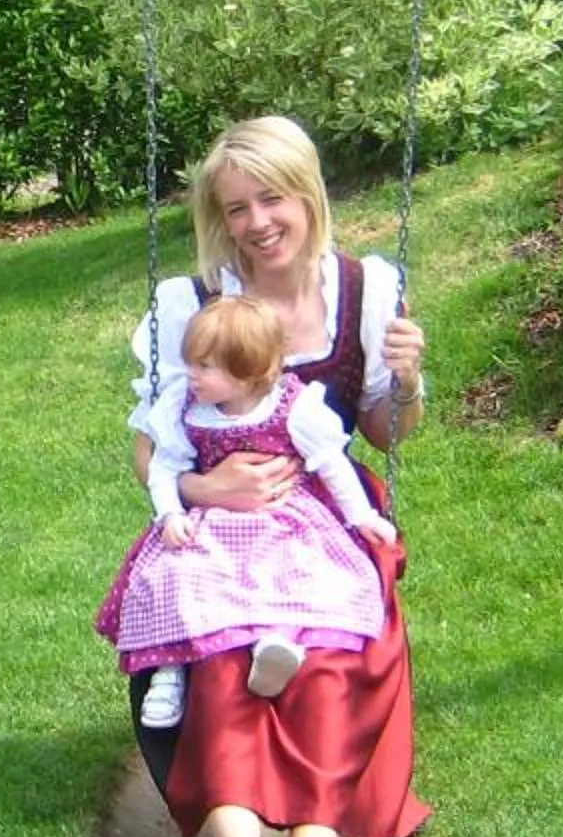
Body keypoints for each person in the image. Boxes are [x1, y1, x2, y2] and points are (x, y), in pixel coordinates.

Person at [124, 115, 431, 837]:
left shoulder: (367, 289)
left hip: (325, 514)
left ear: (308, 196)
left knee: (334, 655)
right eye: (237, 207)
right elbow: (151, 439)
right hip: (220, 520)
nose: (258, 223)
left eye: (273, 199)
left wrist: (403, 381)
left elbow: (385, 434)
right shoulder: (188, 304)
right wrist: (203, 489)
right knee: (224, 651)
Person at [97, 293, 398, 731]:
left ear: (248, 373)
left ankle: (276, 646)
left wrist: (361, 517)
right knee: (178, 576)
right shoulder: (185, 406)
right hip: (209, 522)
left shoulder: (294, 408)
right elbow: (163, 466)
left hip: (283, 519)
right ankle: (170, 673)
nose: (192, 375)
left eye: (205, 366)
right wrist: (169, 515)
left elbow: (332, 464)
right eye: (191, 362)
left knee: (300, 571)